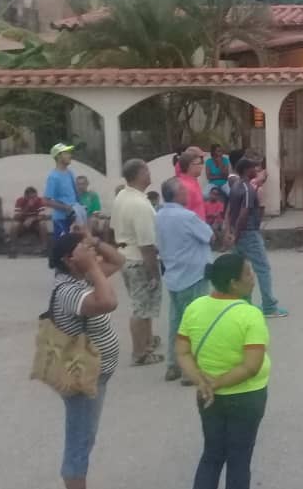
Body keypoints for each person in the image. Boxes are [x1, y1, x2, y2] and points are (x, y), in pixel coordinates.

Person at [175, 253, 270, 489]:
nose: (252, 277)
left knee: (212, 456)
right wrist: (217, 382)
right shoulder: (249, 315)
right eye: (248, 274)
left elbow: (182, 352)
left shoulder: (196, 307)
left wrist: (202, 382)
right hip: (246, 397)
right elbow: (251, 366)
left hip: (208, 399)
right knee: (239, 459)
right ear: (234, 283)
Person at [48, 231, 124, 489]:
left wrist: (93, 241)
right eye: (83, 249)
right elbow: (109, 301)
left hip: (92, 376)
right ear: (70, 260)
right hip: (82, 379)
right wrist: (93, 268)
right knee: (78, 445)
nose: (91, 253)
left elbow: (118, 261)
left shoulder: (79, 278)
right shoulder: (69, 289)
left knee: (85, 439)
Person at [156, 176, 214, 383]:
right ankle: (191, 369)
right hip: (193, 274)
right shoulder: (186, 216)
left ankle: (173, 364)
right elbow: (209, 235)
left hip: (173, 273)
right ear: (177, 194)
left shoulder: (160, 215)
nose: (187, 193)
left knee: (176, 321)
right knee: (196, 323)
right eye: (183, 190)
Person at [112, 159, 164, 366]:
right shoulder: (139, 204)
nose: (150, 174)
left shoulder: (123, 196)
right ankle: (139, 352)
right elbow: (146, 244)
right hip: (138, 259)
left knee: (144, 306)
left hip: (125, 254)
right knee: (141, 308)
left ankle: (147, 342)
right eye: (147, 171)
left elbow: (113, 226)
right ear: (139, 174)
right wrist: (153, 273)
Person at [225, 158, 288, 318]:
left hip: (239, 232)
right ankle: (269, 306)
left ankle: (243, 303)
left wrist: (229, 232)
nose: (257, 171)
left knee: (240, 270)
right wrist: (237, 235)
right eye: (255, 168)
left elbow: (229, 211)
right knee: (263, 269)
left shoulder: (235, 186)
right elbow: (243, 213)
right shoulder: (247, 189)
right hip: (248, 233)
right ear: (247, 170)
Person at [44, 142, 86, 240]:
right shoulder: (53, 177)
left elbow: (75, 193)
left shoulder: (70, 172)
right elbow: (46, 200)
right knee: (63, 250)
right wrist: (65, 207)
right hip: (61, 220)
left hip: (74, 217)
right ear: (58, 157)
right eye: (66, 153)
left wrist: (81, 207)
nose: (70, 155)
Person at [12, 186, 48, 255]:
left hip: (35, 224)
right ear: (25, 196)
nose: (34, 199)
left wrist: (32, 219)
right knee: (14, 225)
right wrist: (27, 207)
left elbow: (43, 216)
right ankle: (13, 248)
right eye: (31, 198)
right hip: (22, 224)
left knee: (43, 224)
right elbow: (16, 217)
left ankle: (44, 248)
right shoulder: (20, 201)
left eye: (35, 197)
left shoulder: (39, 200)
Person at [177, 148, 207, 222]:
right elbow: (183, 217)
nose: (202, 166)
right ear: (190, 166)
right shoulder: (185, 187)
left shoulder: (192, 181)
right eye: (200, 163)